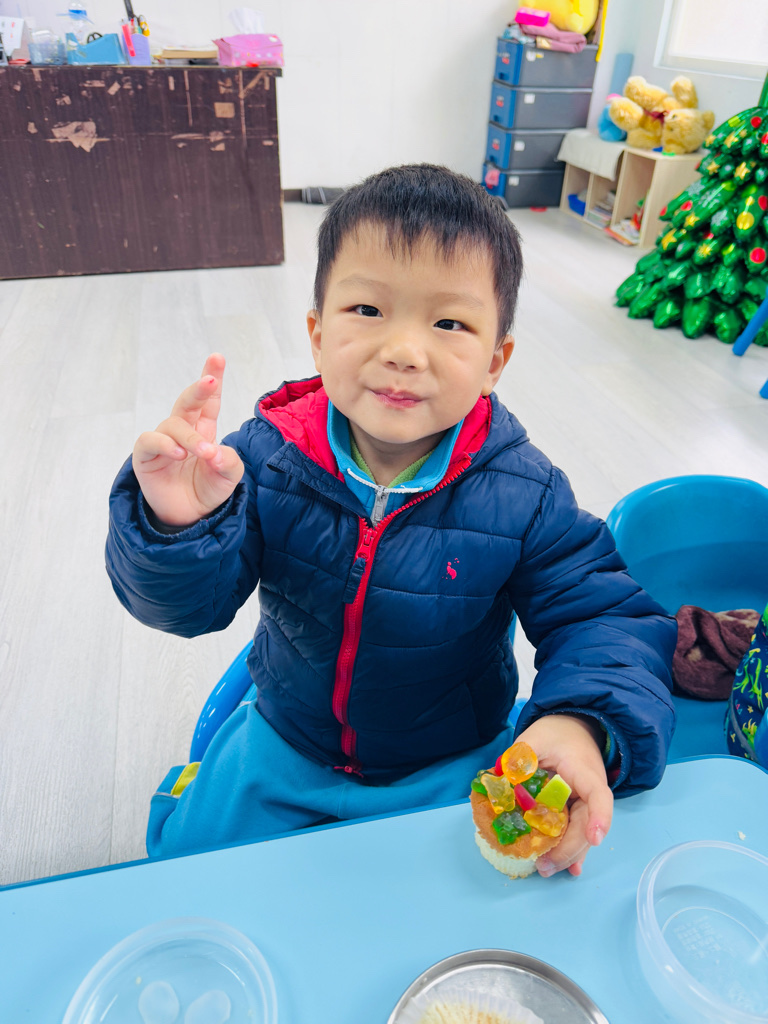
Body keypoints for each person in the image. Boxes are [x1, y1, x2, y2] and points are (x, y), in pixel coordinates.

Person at [106, 164, 676, 875]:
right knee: (186, 873)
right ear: (317, 334)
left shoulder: (525, 493)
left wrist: (581, 722)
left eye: (449, 323)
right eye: (368, 310)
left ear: (495, 361)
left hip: (448, 760)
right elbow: (189, 610)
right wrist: (177, 527)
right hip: (286, 742)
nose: (404, 351)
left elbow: (605, 617)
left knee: (475, 905)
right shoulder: (263, 458)